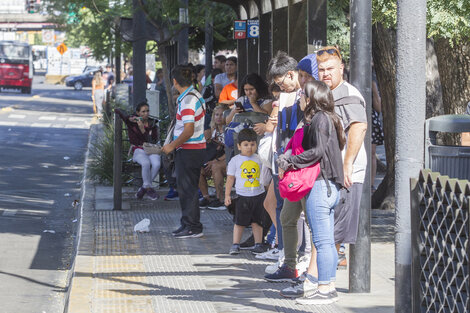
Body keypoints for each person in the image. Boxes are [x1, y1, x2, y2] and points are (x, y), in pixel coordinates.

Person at [277, 80, 345, 304]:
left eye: (302, 95)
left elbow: (316, 152)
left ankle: (324, 288)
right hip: (330, 186)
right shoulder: (329, 118)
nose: (300, 99)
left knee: (323, 240)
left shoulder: (319, 119)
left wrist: (291, 161)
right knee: (326, 239)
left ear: (312, 98)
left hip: (320, 185)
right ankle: (328, 283)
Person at [316, 46, 368, 268]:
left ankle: (325, 281)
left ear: (341, 68)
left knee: (336, 231)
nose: (326, 73)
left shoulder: (349, 94)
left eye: (330, 68)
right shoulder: (325, 93)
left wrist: (347, 164)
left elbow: (359, 127)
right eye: (321, 69)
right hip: (329, 171)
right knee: (326, 227)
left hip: (346, 173)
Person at [163, 65, 206, 239]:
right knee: (186, 188)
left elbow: (188, 130)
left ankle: (193, 226)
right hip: (192, 150)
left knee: (187, 189)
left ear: (174, 81)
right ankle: (187, 223)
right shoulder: (193, 95)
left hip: (189, 150)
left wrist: (172, 145)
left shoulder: (188, 100)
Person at [225, 128, 266, 255]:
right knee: (239, 222)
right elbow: (230, 178)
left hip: (258, 195)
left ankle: (258, 244)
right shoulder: (235, 160)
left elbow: (265, 176)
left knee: (257, 221)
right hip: (242, 196)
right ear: (239, 146)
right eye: (246, 145)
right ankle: (235, 244)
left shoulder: (260, 159)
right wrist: (227, 195)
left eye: (252, 144)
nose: (249, 148)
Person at [115, 101, 161, 200]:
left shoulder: (152, 124)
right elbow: (118, 110)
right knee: (145, 163)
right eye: (143, 111)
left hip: (151, 148)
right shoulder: (132, 123)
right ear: (138, 113)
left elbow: (153, 141)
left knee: (157, 164)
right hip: (138, 149)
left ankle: (145, 188)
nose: (146, 114)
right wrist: (130, 118)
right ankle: (148, 188)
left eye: (147, 111)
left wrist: (143, 130)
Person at [199, 104, 229, 210]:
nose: (219, 117)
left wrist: (215, 161)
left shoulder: (229, 130)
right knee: (198, 167)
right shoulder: (212, 130)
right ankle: (206, 197)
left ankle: (220, 199)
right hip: (214, 159)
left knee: (216, 166)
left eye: (222, 115)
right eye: (216, 114)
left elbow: (231, 151)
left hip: (228, 160)